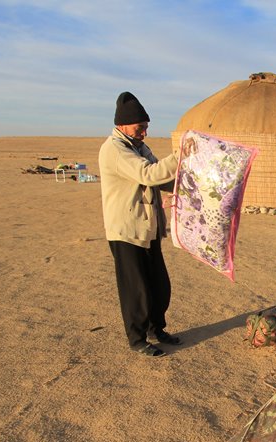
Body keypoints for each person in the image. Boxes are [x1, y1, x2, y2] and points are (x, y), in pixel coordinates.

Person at [99, 91, 181, 357]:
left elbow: (159, 178)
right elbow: (146, 173)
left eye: (146, 128)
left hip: (148, 227)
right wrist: (179, 156)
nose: (144, 133)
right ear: (123, 125)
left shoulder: (139, 147)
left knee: (159, 284)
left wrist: (185, 184)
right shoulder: (115, 149)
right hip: (126, 229)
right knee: (136, 289)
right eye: (140, 128)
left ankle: (156, 328)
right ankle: (137, 339)